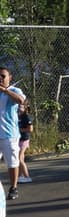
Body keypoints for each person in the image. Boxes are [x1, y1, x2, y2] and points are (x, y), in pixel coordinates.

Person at [1, 68, 27, 201]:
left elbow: (21, 100)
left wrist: (5, 90)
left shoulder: (14, 91)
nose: (0, 78)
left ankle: (13, 187)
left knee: (12, 163)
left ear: (9, 77)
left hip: (9, 135)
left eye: (3, 76)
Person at [16, 108, 32, 185]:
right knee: (20, 158)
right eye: (18, 106)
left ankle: (27, 177)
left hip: (24, 140)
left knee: (19, 158)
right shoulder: (18, 116)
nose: (19, 108)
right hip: (18, 139)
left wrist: (19, 130)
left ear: (25, 108)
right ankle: (19, 176)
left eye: (21, 107)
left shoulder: (26, 117)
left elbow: (30, 129)